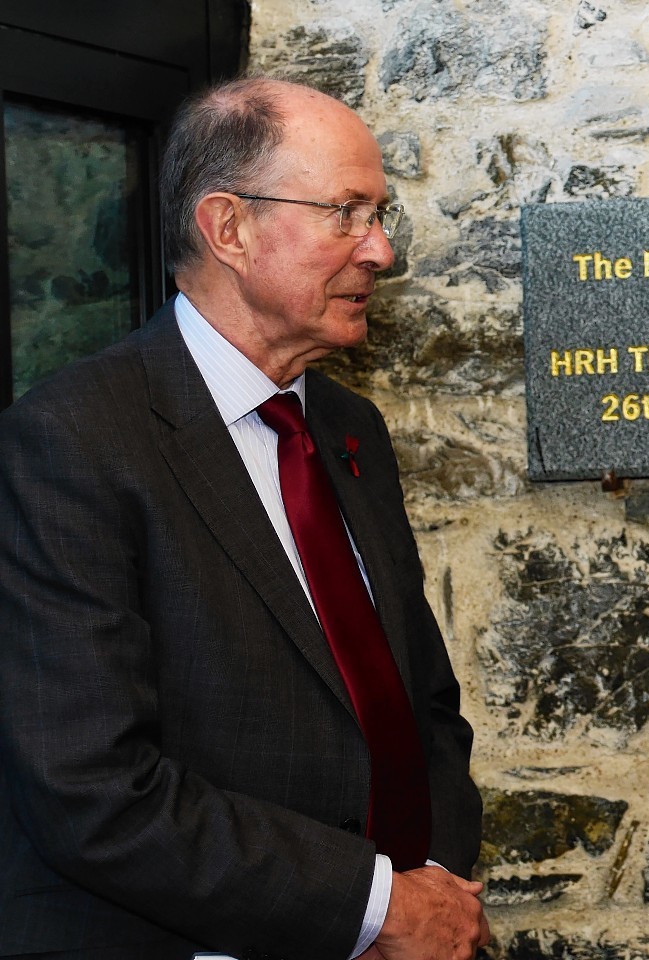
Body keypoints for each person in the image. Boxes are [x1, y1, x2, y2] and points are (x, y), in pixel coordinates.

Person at [0, 77, 488, 959]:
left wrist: (431, 893)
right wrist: (374, 906)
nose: (379, 250)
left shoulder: (350, 431)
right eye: (346, 211)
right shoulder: (70, 440)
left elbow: (424, 707)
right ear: (229, 227)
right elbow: (91, 787)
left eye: (380, 214)